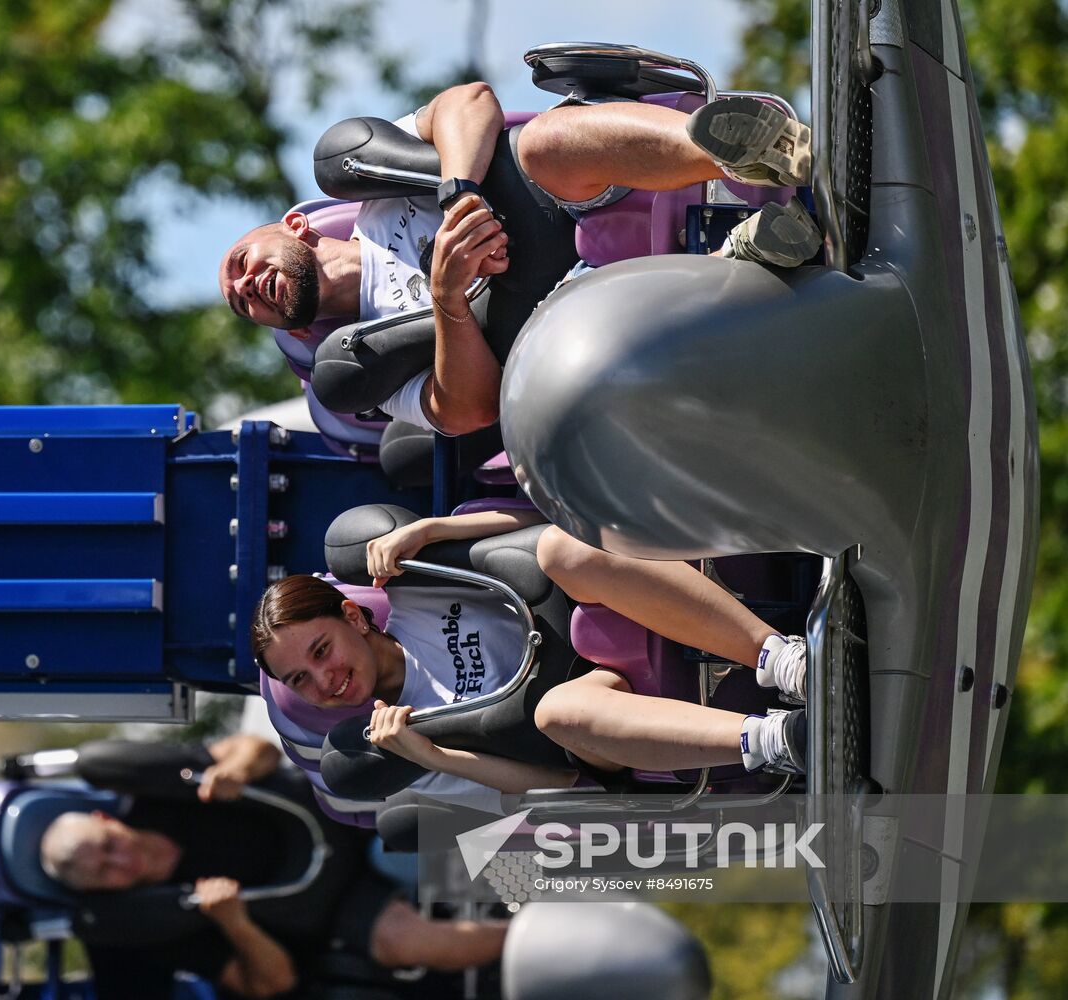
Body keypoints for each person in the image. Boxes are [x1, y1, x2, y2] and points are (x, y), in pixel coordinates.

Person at [218, 87, 819, 436]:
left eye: (242, 263)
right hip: (554, 322)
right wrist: (449, 301)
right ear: (293, 329)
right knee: (570, 369)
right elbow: (465, 412)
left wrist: (458, 193)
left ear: (294, 225)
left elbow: (471, 101)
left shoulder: (377, 189)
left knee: (538, 140)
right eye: (243, 301)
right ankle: (736, 260)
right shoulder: (359, 362)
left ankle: (751, 155)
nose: (249, 285)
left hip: (564, 201)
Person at [252, 508, 808, 803]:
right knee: (557, 713)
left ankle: (781, 659)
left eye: (321, 651)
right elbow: (554, 787)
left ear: (353, 615)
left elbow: (536, 525)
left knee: (565, 547)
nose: (324, 679)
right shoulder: (394, 741)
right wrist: (429, 756)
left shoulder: (411, 588)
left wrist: (434, 529)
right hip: (590, 717)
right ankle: (776, 740)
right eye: (301, 679)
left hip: (596, 614)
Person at [39, 735, 506, 999]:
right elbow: (271, 984)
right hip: (335, 907)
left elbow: (255, 749)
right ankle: (543, 933)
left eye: (106, 847)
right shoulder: (158, 922)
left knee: (414, 840)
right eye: (103, 873)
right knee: (407, 942)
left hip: (340, 818)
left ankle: (570, 869)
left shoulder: (157, 795)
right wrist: (234, 924)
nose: (119, 861)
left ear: (106, 819)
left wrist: (236, 771)